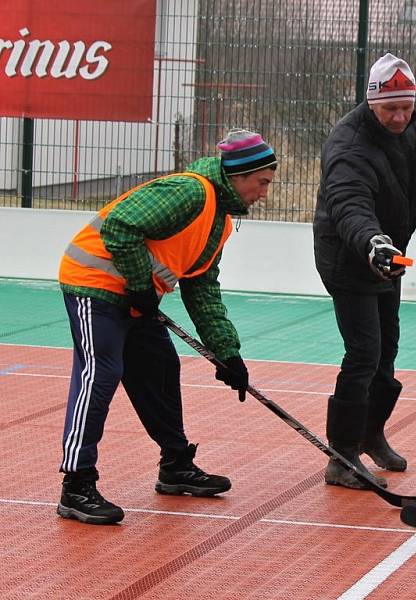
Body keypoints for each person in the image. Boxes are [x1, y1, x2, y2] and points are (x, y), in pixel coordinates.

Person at [56, 129, 278, 524]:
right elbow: (121, 227)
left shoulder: (220, 221)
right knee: (101, 374)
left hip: (134, 294)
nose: (264, 193)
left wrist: (228, 353)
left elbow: (202, 289)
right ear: (239, 175)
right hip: (95, 285)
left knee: (160, 368)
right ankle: (76, 484)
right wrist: (142, 285)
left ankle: (175, 465)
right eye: (261, 182)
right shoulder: (191, 192)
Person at [313, 53, 416, 490]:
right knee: (364, 352)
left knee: (387, 348)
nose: (400, 116)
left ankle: (372, 433)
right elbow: (349, 206)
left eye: (406, 107)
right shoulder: (348, 145)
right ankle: (342, 455)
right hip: (349, 255)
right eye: (390, 108)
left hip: (392, 252)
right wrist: (375, 243)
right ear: (371, 102)